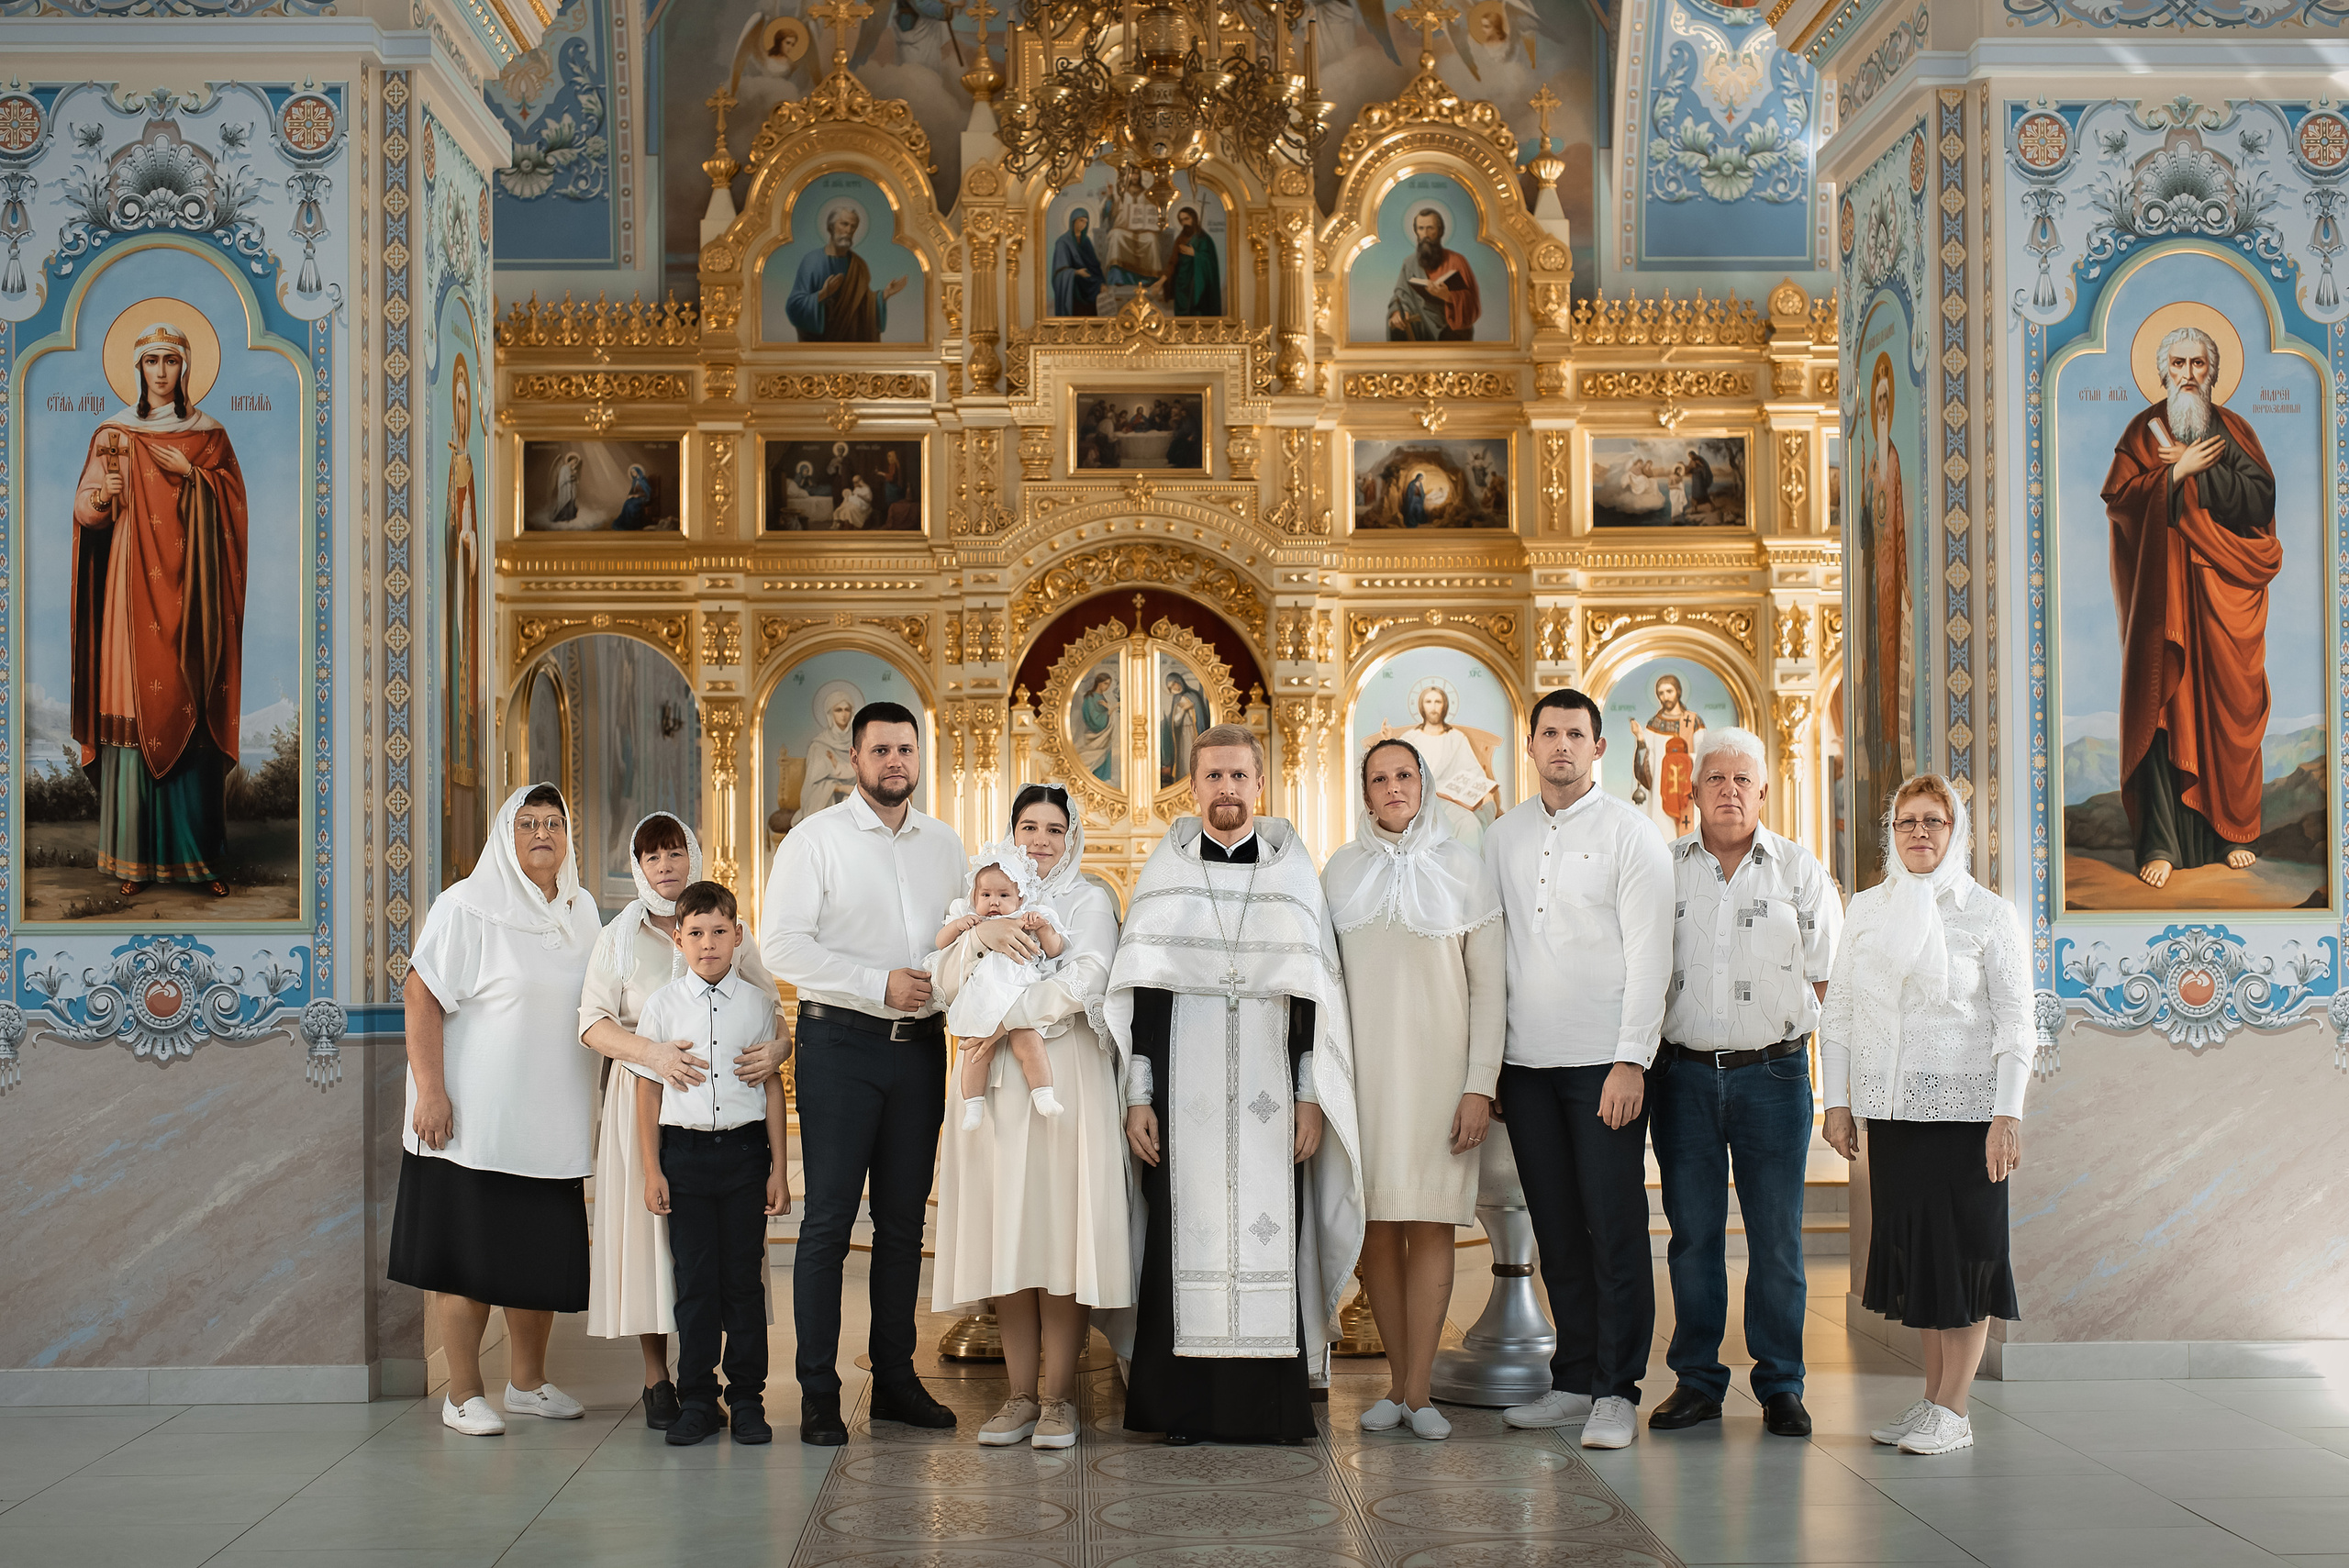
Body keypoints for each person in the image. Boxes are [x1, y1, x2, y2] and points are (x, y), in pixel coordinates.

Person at [1105, 726, 1364, 1446]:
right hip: (1180, 1104)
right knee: (1179, 1238)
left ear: (1259, 784)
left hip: (1272, 1097)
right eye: (1212, 776)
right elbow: (1144, 1004)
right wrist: (1137, 1096)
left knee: (1270, 1236)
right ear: (1192, 785)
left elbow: (1314, 1002)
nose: (1226, 789)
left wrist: (1312, 1094)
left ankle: (1268, 1409)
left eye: (1238, 776)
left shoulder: (1293, 877)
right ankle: (1180, 1410)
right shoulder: (1164, 874)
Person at [761, 702, 967, 1444]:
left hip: (921, 1049)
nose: (894, 763)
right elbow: (782, 945)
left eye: (906, 750)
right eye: (880, 750)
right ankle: (818, 1389)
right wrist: (875, 982)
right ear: (854, 758)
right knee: (827, 1222)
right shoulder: (815, 841)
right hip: (841, 1047)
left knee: (906, 1223)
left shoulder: (946, 845)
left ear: (920, 757)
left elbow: (961, 941)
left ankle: (895, 1380)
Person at [1485, 690, 1674, 1450]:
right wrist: (1492, 1063)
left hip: (1605, 1063)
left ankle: (1617, 1390)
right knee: (1556, 1227)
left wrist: (1631, 1060)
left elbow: (1651, 955)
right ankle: (1573, 1379)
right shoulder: (1501, 837)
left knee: (1613, 1224)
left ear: (1598, 748)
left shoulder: (1634, 833)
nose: (1561, 744)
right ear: (1528, 745)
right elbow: (1492, 952)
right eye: (1548, 733)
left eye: (1575, 733)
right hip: (1526, 1066)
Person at [1820, 774, 2030, 1459]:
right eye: (1907, 820)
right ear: (1892, 830)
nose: (1918, 832)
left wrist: (2008, 1115)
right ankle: (1934, 1395)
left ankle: (1956, 1407)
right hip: (1896, 1113)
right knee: (1921, 1260)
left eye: (1933, 821)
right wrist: (1839, 1100)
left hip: (1970, 1117)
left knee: (1966, 1259)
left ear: (1955, 829)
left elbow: (2016, 1024)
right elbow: (1842, 1012)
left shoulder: (1989, 913)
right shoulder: (1869, 910)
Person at [388, 784, 603, 1436]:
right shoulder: (466, 906)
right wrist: (431, 1090)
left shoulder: (582, 908)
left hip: (550, 1122)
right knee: (467, 1260)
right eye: (529, 822)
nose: (544, 832)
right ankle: (462, 1393)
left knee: (537, 1259)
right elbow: (421, 994)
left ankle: (528, 1383)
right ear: (506, 837)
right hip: (473, 1124)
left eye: (555, 822)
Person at [1648, 728, 1841, 1440]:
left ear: (1764, 791)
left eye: (1743, 780)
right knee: (1693, 1236)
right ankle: (1696, 1381)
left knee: (1776, 1239)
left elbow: (1830, 975)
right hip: (1683, 1077)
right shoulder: (1662, 868)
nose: (1730, 789)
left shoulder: (1798, 870)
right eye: (1716, 778)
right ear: (1692, 790)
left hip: (1775, 1071)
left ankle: (1781, 1384)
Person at [931, 785, 1131, 1451]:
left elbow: (1086, 980)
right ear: (1010, 832)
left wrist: (1005, 1013)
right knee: (1007, 1234)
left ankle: (1059, 1399)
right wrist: (978, 936)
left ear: (1070, 834)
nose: (1040, 839)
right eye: (1028, 826)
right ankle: (1018, 1396)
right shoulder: (978, 898)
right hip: (993, 1087)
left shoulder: (1088, 901)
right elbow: (942, 982)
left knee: (1058, 1233)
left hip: (1063, 1078)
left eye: (1053, 827)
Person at [579, 812, 786, 1429]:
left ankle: (741, 1391)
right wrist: (656, 1055)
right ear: (639, 866)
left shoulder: (727, 936)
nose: (665, 866)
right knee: (662, 1258)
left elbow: (772, 1022)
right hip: (654, 1113)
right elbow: (591, 1022)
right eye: (652, 857)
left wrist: (779, 1049)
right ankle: (664, 1382)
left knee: (731, 1271)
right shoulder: (618, 938)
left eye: (674, 853)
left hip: (736, 1133)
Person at [1323, 739, 1504, 1441]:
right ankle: (1396, 1385)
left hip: (1440, 1078)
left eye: (1405, 775)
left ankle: (1421, 1392)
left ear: (1424, 784)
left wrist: (1478, 1086)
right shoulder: (1338, 872)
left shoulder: (1466, 868)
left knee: (1428, 1222)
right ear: (1363, 792)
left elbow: (1491, 990)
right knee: (1374, 1226)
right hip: (1362, 1077)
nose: (1393, 787)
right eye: (1379, 778)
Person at [71, 318, 249, 898]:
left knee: (190, 695)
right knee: (131, 702)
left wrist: (192, 476)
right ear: (138, 368)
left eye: (171, 362)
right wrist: (103, 498)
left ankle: (201, 863)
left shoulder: (210, 436)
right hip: (129, 589)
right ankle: (133, 862)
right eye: (152, 362)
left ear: (186, 368)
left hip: (194, 595)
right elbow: (86, 510)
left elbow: (234, 510)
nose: (162, 373)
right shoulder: (115, 436)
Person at [2102, 322, 2279, 887]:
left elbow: (2260, 499)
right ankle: (2160, 843)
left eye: (2197, 365)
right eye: (2177, 365)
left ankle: (2230, 835)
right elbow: (2121, 504)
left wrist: (2211, 470)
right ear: (2162, 372)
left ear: (2212, 372)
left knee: (2228, 706)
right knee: (2163, 706)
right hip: (2164, 600)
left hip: (2223, 600)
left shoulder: (2236, 433)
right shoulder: (2141, 432)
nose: (2187, 375)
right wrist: (2174, 472)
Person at [630, 881, 791, 1446]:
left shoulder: (758, 1005)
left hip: (746, 1156)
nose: (707, 944)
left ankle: (747, 1398)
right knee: (694, 1283)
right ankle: (697, 1398)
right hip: (686, 1157)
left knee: (743, 1282)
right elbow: (647, 1093)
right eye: (695, 934)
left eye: (719, 932)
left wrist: (779, 1168)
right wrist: (653, 1170)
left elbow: (772, 1089)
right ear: (678, 940)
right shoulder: (662, 1006)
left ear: (738, 936)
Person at [937, 848, 1068, 1129]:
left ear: (1020, 896)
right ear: (974, 896)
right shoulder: (969, 917)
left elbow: (1056, 950)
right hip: (981, 995)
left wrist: (1043, 928)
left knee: (1030, 1044)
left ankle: (1043, 1094)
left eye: (1003, 895)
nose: (993, 902)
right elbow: (940, 944)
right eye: (986, 895)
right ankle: (973, 1105)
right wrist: (961, 927)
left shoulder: (1030, 916)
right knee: (974, 1051)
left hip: (1018, 996)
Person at [1375, 681, 1497, 847]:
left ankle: (1468, 871)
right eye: (1429, 702)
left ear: (1445, 706)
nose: (1433, 707)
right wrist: (1388, 741)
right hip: (1422, 801)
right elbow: (1396, 768)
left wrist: (1481, 791)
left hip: (1454, 802)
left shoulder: (1456, 738)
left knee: (1470, 825)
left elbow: (1472, 771)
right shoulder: (1410, 738)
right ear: (1421, 706)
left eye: (1438, 702)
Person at [785, 201, 907, 342]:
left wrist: (884, 295)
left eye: (853, 226)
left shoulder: (858, 265)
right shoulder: (812, 262)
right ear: (831, 227)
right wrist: (823, 294)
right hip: (819, 344)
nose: (849, 230)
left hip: (852, 342)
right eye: (844, 224)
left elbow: (862, 305)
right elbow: (794, 306)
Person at [1386, 206, 1482, 341]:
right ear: (1416, 232)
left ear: (1439, 231)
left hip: (1451, 330)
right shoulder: (1409, 263)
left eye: (1430, 228)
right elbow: (1400, 295)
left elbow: (1472, 305)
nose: (1425, 234)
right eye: (1421, 228)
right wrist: (1396, 313)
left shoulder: (1456, 261)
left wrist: (1448, 296)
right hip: (1420, 328)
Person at [1630, 674, 1706, 840]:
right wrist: (1640, 738)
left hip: (1689, 794)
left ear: (1678, 691)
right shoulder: (1654, 724)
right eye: (1661, 693)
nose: (1665, 697)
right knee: (1664, 837)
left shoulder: (1692, 722)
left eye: (1669, 691)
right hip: (1661, 793)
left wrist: (1682, 760)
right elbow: (1647, 763)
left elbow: (1704, 757)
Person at [791, 681, 863, 828]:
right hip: (825, 802)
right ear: (830, 714)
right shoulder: (819, 746)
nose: (843, 714)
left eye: (847, 709)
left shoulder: (861, 742)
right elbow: (813, 786)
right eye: (838, 710)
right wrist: (838, 788)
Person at [1157, 205, 1222, 316]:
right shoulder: (1180, 238)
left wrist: (1195, 254)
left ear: (1194, 218)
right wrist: (1161, 281)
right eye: (1181, 220)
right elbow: (1173, 261)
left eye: (1186, 219)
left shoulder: (1204, 239)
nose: (1184, 223)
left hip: (1196, 283)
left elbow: (1211, 263)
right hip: (1181, 284)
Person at [1051, 207, 1105, 317]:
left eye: (1086, 222)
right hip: (1074, 288)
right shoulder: (1063, 242)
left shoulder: (1086, 241)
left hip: (1090, 285)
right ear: (1073, 221)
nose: (1083, 224)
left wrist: (1102, 282)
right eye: (1081, 221)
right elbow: (1059, 271)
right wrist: (1076, 273)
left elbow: (1094, 265)